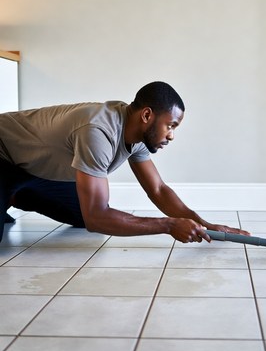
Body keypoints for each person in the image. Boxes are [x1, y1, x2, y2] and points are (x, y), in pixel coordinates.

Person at [0, 81, 248, 243]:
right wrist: (169, 225)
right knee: (93, 214)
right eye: (170, 126)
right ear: (147, 115)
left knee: (79, 214)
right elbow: (97, 217)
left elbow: (158, 190)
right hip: (4, 153)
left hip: (30, 166)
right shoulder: (98, 130)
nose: (171, 135)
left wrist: (204, 225)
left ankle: (12, 196)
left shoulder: (138, 133)